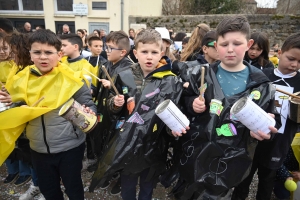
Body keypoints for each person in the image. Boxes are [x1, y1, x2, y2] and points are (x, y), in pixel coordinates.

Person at [171, 15, 280, 199]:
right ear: (215, 46)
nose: (230, 50)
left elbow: (271, 118)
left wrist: (264, 130)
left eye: (237, 43)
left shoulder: (261, 84)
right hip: (195, 156)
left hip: (231, 162)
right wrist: (192, 105)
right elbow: (183, 103)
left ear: (248, 44)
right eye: (223, 45)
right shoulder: (201, 74)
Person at [2, 29, 96, 200]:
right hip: (38, 149)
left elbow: (88, 104)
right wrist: (10, 103)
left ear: (59, 54)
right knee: (49, 190)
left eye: (48, 52)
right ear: (30, 54)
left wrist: (89, 112)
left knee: (73, 188)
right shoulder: (21, 79)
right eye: (37, 52)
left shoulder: (72, 78)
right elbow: (16, 107)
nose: (43, 57)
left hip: (70, 147)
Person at [90, 28, 183, 200]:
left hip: (154, 144)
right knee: (128, 184)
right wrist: (115, 104)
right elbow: (111, 106)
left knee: (147, 186)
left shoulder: (170, 80)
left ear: (162, 52)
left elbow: (173, 112)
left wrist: (173, 129)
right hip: (127, 142)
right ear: (135, 53)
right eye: (144, 51)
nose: (149, 56)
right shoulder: (123, 76)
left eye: (154, 52)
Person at [232, 32, 300, 200]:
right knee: (243, 180)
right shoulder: (262, 76)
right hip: (254, 137)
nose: (295, 65)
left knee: (267, 181)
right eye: (291, 58)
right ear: (279, 53)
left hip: (280, 140)